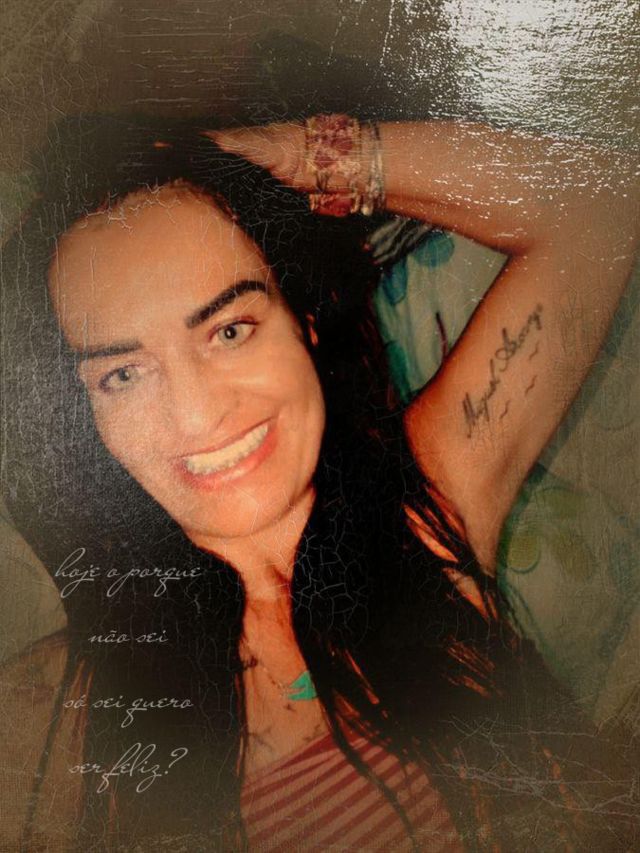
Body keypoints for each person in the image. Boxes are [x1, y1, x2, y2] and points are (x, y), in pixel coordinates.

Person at [1, 112, 639, 851]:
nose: (198, 415)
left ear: (302, 318)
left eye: (230, 330)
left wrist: (299, 157)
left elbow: (601, 206)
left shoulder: (424, 508)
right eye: (122, 374)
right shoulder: (54, 711)